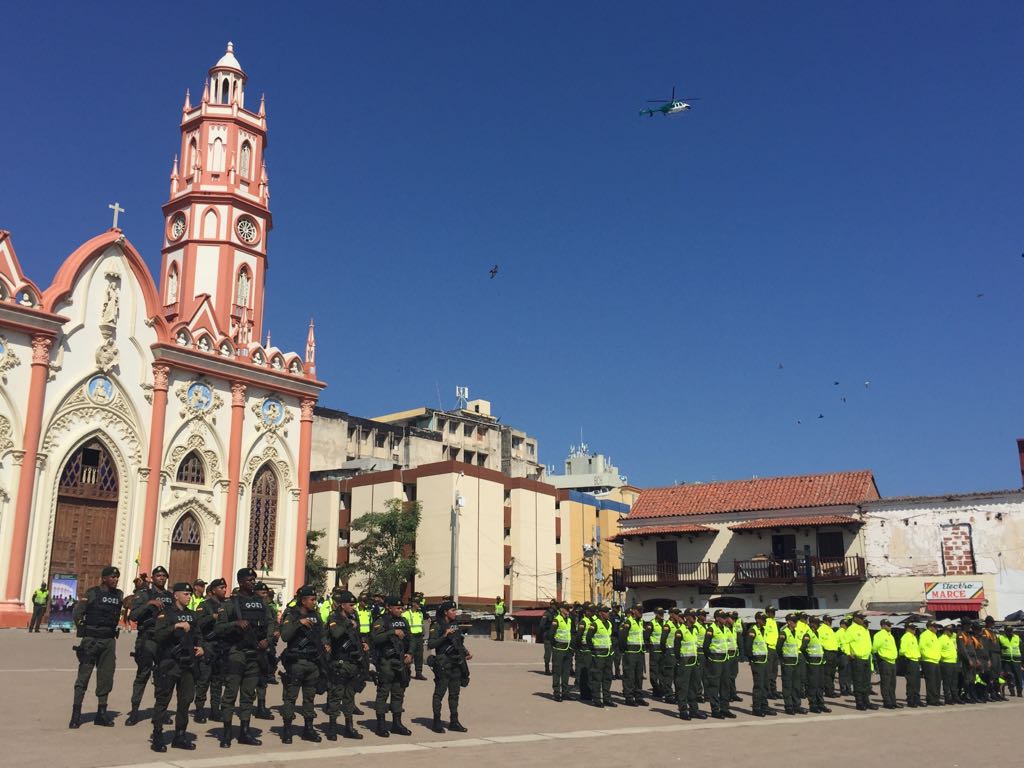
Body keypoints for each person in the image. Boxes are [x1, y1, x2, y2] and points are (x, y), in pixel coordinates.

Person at [214, 567, 276, 748]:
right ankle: (226, 733)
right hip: (237, 653)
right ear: (240, 582)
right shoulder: (231, 603)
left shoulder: (261, 602)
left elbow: (271, 622)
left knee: (248, 695)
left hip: (255, 653)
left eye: (254, 579)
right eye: (249, 579)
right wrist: (235, 624)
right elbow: (218, 628)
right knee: (231, 694)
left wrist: (268, 639)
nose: (253, 582)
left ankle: (244, 732)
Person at [149, 582, 206, 753]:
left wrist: (202, 647)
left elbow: (199, 636)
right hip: (169, 663)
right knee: (163, 700)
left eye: (190, 594)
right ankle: (157, 735)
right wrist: (175, 626)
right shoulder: (165, 614)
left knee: (185, 701)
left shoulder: (192, 615)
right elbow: (158, 635)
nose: (189, 597)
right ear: (176, 595)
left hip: (188, 665)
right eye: (185, 594)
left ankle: (179, 735)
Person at [69, 566, 122, 729]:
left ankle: (101, 713)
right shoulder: (92, 593)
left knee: (106, 676)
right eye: (112, 577)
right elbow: (78, 613)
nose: (115, 580)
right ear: (104, 578)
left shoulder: (119, 595)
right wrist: (84, 631)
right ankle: (76, 714)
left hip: (108, 640)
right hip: (91, 639)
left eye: (117, 577)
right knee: (83, 677)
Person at [127, 565, 174, 725]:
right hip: (147, 639)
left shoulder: (170, 596)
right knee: (142, 675)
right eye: (158, 575)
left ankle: (160, 712)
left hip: (165, 642)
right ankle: (134, 711)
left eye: (164, 576)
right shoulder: (144, 594)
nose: (162, 578)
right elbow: (133, 616)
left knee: (163, 678)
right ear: (152, 578)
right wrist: (149, 604)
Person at [279, 585, 325, 744]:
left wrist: (326, 645)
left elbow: (323, 635)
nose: (314, 602)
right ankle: (287, 729)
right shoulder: (291, 615)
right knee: (291, 697)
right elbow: (284, 636)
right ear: (303, 600)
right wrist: (299, 623)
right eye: (312, 599)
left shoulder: (316, 616)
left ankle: (308, 729)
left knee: (309, 698)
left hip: (313, 663)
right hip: (296, 662)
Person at [325, 588, 367, 740]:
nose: (353, 607)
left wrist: (362, 644)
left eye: (354, 605)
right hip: (339, 662)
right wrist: (348, 623)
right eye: (350, 605)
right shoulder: (334, 617)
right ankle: (332, 728)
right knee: (336, 696)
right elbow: (335, 634)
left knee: (350, 697)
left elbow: (357, 636)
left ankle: (349, 727)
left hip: (353, 662)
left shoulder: (354, 617)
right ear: (342, 605)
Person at [371, 596, 413, 737]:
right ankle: (381, 725)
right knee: (383, 692)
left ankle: (397, 723)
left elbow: (410, 638)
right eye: (398, 608)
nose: (400, 611)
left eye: (402, 608)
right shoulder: (381, 621)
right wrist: (391, 632)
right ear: (389, 607)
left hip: (400, 661)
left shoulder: (403, 621)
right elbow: (375, 639)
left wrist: (410, 653)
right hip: (386, 662)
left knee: (398, 692)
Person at [427, 599, 472, 732]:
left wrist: (465, 653)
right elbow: (431, 644)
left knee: (454, 694)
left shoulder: (455, 624)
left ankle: (454, 721)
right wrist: (444, 636)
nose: (455, 612)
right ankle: (436, 721)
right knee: (439, 693)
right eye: (453, 610)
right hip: (443, 663)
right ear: (445, 612)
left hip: (456, 662)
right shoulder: (437, 625)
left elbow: (458, 642)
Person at [193, 577, 227, 723]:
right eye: (221, 588)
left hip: (221, 647)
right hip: (208, 645)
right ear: (213, 590)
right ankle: (199, 710)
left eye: (225, 587)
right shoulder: (204, 605)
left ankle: (215, 710)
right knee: (204, 679)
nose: (225, 590)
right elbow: (197, 623)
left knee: (217, 681)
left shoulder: (226, 605)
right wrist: (212, 617)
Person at [671, 609, 705, 720]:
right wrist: (680, 660)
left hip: (694, 662)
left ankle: (694, 710)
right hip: (684, 663)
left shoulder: (695, 629)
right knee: (683, 687)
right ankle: (683, 710)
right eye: (693, 616)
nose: (695, 618)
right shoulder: (680, 631)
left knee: (694, 687)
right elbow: (676, 649)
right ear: (687, 617)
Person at [253, 581, 278, 718]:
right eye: (262, 593)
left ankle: (261, 706)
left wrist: (268, 640)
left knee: (263, 677)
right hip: (250, 646)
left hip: (264, 646)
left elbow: (272, 624)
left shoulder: (268, 608)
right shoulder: (249, 605)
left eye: (266, 593)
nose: (265, 595)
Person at [703, 609, 734, 718]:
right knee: (714, 685)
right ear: (717, 618)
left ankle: (725, 708)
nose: (725, 619)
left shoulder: (725, 629)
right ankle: (715, 710)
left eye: (726, 617)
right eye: (723, 617)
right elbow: (705, 646)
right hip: (715, 660)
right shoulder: (711, 629)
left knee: (725, 685)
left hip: (725, 659)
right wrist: (710, 658)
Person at [584, 605, 615, 708]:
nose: (608, 614)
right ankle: (596, 699)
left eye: (608, 612)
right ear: (601, 613)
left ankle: (607, 699)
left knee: (607, 677)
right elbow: (588, 638)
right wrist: (593, 650)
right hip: (598, 655)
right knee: (597, 677)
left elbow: (609, 638)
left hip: (608, 655)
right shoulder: (595, 624)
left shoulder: (609, 624)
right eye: (606, 612)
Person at [746, 611, 776, 717]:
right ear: (758, 620)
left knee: (765, 684)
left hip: (764, 661)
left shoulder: (763, 630)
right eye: (763, 620)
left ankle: (764, 705)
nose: (765, 622)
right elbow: (748, 647)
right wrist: (752, 660)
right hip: (757, 662)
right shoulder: (752, 630)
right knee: (758, 686)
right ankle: (757, 708)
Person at [846, 612, 877, 711]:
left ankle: (866, 701)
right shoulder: (851, 629)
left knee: (866, 682)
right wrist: (848, 653)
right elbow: (844, 642)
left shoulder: (864, 629)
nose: (862, 619)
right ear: (855, 618)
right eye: (860, 618)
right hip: (857, 659)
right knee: (858, 681)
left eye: (863, 618)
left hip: (866, 658)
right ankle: (859, 702)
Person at [778, 613, 807, 715]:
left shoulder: (795, 632)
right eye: (794, 621)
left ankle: (797, 705)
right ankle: (789, 706)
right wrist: (783, 659)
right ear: (789, 622)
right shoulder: (784, 633)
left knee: (796, 685)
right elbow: (778, 648)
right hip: (787, 662)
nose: (796, 623)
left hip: (796, 662)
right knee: (787, 685)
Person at [618, 604, 647, 706]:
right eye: (639, 611)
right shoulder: (627, 622)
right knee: (629, 676)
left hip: (639, 652)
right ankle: (629, 697)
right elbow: (622, 638)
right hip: (630, 653)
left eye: (642, 611)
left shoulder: (640, 622)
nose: (641, 613)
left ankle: (638, 696)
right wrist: (624, 650)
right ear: (633, 611)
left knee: (639, 676)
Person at [805, 615, 831, 713]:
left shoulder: (817, 633)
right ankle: (813, 705)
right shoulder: (808, 634)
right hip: (812, 663)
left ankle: (821, 704)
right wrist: (809, 657)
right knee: (813, 685)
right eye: (817, 624)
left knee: (820, 684)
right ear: (811, 624)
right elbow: (803, 648)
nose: (818, 625)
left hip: (819, 662)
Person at [872, 618, 899, 709]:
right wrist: (881, 657)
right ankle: (887, 702)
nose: (890, 626)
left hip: (892, 661)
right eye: (888, 625)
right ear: (883, 625)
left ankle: (893, 701)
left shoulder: (890, 635)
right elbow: (875, 648)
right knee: (886, 683)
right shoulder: (879, 635)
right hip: (885, 661)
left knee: (892, 683)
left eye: (890, 625)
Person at [402, 596, 427, 680]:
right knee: (410, 654)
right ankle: (406, 672)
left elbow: (421, 624)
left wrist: (423, 633)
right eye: (417, 603)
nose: (419, 605)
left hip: (419, 636)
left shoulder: (420, 613)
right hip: (411, 636)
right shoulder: (406, 614)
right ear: (413, 604)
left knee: (419, 655)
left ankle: (419, 673)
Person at [573, 603, 595, 702]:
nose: (593, 613)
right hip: (584, 649)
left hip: (591, 649)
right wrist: (579, 647)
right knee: (585, 673)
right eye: (591, 611)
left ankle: (589, 693)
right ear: (586, 612)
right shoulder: (583, 621)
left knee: (590, 673)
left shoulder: (594, 621)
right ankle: (585, 694)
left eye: (593, 611)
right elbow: (578, 636)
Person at [919, 620, 943, 706]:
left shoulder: (935, 636)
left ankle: (936, 698)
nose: (936, 628)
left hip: (936, 661)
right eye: (935, 627)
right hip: (928, 661)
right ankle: (931, 699)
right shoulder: (924, 635)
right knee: (931, 681)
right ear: (929, 627)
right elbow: (922, 648)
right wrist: (927, 656)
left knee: (937, 681)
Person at [981, 616, 1004, 701]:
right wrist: (988, 658)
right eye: (991, 622)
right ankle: (991, 693)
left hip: (997, 654)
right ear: (987, 623)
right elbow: (986, 646)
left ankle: (998, 692)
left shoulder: (993, 632)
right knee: (992, 675)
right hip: (992, 654)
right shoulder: (985, 632)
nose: (993, 624)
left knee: (998, 675)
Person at [899, 622, 922, 707]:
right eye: (912, 628)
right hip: (910, 661)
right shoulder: (905, 637)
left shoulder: (914, 637)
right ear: (908, 628)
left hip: (915, 661)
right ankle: (911, 700)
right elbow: (902, 650)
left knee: (917, 682)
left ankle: (917, 699)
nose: (914, 630)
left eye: (914, 628)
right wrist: (907, 656)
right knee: (911, 682)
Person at [645, 606, 665, 700]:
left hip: (662, 651)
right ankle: (656, 689)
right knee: (654, 672)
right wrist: (649, 647)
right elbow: (646, 636)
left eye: (662, 613)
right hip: (655, 650)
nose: (662, 615)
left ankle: (661, 689)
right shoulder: (651, 624)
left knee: (662, 672)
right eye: (660, 614)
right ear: (656, 614)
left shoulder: (665, 623)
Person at [939, 623, 962, 704]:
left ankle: (955, 697)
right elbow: (938, 651)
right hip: (946, 662)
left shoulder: (950, 638)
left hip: (953, 662)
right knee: (947, 681)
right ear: (946, 631)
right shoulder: (941, 639)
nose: (952, 632)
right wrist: (943, 657)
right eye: (950, 631)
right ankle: (947, 698)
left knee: (954, 681)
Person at [818, 615, 839, 696]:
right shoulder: (821, 629)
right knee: (827, 673)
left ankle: (831, 690)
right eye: (829, 620)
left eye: (831, 620)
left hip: (833, 653)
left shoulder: (830, 630)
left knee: (832, 673)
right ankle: (828, 691)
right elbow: (819, 642)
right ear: (825, 621)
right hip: (827, 653)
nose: (831, 622)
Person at [999, 623, 1022, 697]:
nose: (1010, 632)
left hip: (1016, 660)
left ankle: (1019, 692)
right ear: (1005, 631)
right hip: (1006, 660)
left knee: (1018, 677)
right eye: (1008, 631)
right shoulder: (1001, 638)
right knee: (1009, 676)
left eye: (1011, 630)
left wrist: (1022, 662)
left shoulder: (1017, 637)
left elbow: (1022, 649)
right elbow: (999, 649)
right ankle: (1012, 691)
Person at [763, 605, 780, 699]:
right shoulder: (766, 621)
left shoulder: (774, 622)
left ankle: (774, 690)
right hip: (768, 647)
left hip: (774, 648)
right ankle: (768, 691)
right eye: (772, 612)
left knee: (774, 671)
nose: (774, 614)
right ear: (768, 612)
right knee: (769, 672)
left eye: (774, 612)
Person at [538, 599, 557, 676]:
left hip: (555, 636)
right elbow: (541, 625)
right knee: (548, 654)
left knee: (555, 654)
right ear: (552, 605)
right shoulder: (546, 613)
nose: (556, 607)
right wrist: (548, 629)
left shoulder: (557, 613)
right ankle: (547, 669)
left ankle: (554, 669)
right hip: (548, 636)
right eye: (555, 605)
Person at [835, 617, 852, 695]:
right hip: (842, 655)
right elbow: (836, 644)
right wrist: (841, 651)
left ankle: (848, 688)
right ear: (841, 624)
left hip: (848, 655)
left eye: (847, 624)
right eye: (845, 624)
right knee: (843, 673)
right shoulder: (838, 632)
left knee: (848, 673)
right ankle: (843, 689)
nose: (846, 626)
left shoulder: (847, 632)